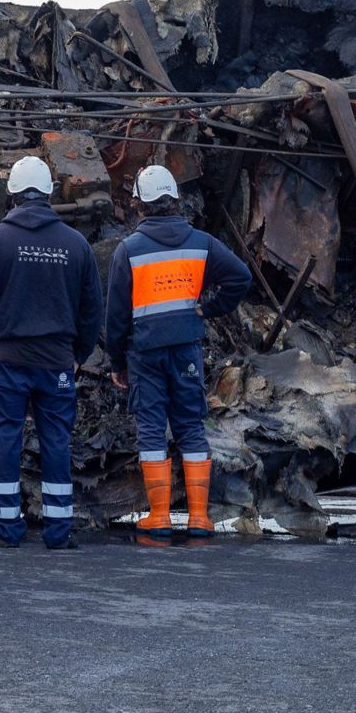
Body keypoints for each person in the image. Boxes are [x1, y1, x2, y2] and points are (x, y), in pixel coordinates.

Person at [0, 155, 103, 549]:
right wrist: (79, 353)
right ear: (49, 193)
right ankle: (59, 530)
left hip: (6, 362)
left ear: (12, 195)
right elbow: (93, 308)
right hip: (56, 362)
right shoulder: (75, 244)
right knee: (56, 438)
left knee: (6, 437)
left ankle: (7, 528)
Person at [103, 163, 251, 542]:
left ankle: (159, 516)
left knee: (151, 426)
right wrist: (210, 308)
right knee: (189, 423)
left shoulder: (129, 251)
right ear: (174, 200)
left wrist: (117, 362)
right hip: (186, 348)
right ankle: (199, 517)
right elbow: (240, 278)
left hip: (145, 351)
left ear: (139, 203)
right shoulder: (201, 242)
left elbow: (116, 317)